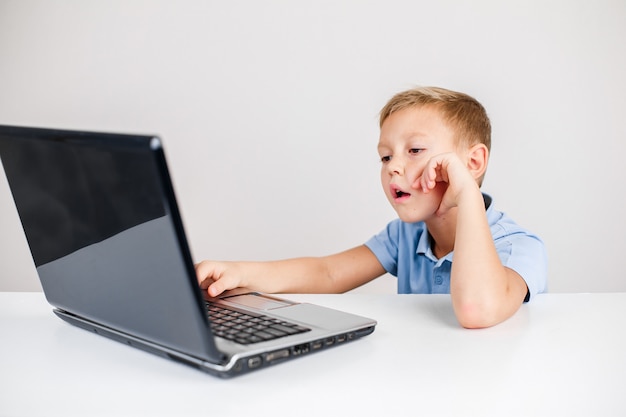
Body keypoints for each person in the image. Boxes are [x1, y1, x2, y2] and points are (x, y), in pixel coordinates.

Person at [196, 86, 548, 328]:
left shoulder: (519, 247)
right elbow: (328, 274)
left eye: (414, 151)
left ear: (473, 162)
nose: (393, 167)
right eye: (385, 156)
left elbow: (476, 310)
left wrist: (467, 193)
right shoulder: (405, 235)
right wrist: (238, 272)